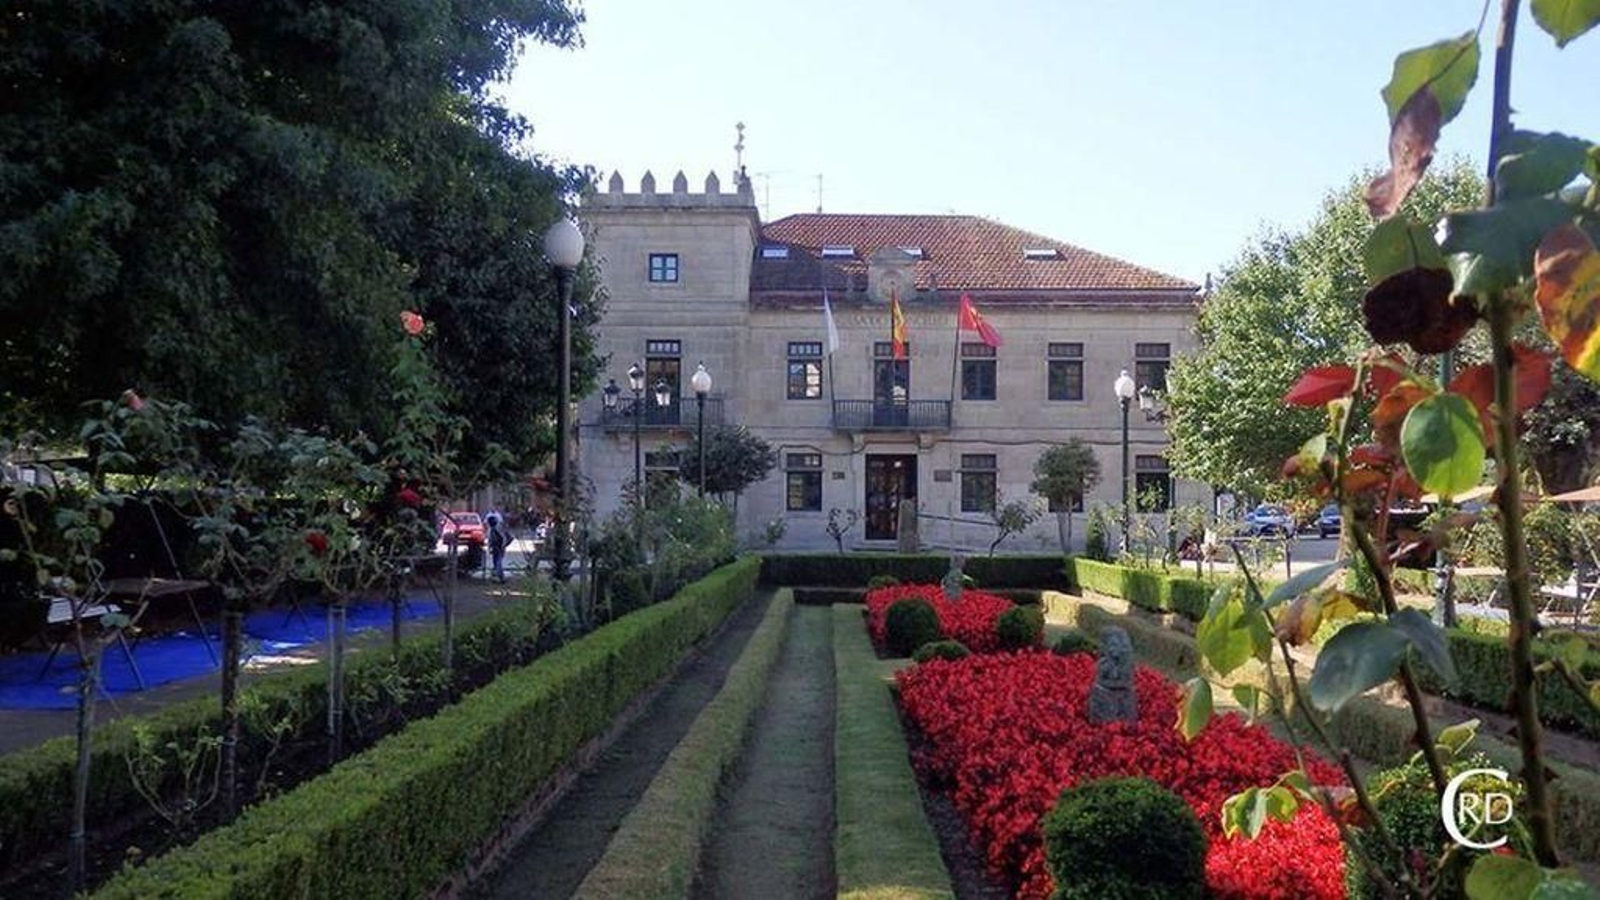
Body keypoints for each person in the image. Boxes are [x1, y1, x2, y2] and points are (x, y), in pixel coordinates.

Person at [485, 511, 511, 583]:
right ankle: (501, 577)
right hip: (495, 547)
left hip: (499, 547)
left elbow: (503, 538)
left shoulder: (497, 529)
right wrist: (489, 547)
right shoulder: (491, 529)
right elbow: (490, 539)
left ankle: (497, 576)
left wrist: (503, 545)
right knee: (496, 562)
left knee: (498, 562)